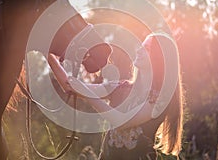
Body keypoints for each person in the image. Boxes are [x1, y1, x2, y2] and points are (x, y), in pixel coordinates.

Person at [48, 32, 184, 160]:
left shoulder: (159, 100)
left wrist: (88, 94)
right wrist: (48, 54)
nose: (138, 50)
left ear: (158, 59)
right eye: (141, 46)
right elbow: (69, 86)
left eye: (146, 48)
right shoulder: (120, 87)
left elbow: (121, 122)